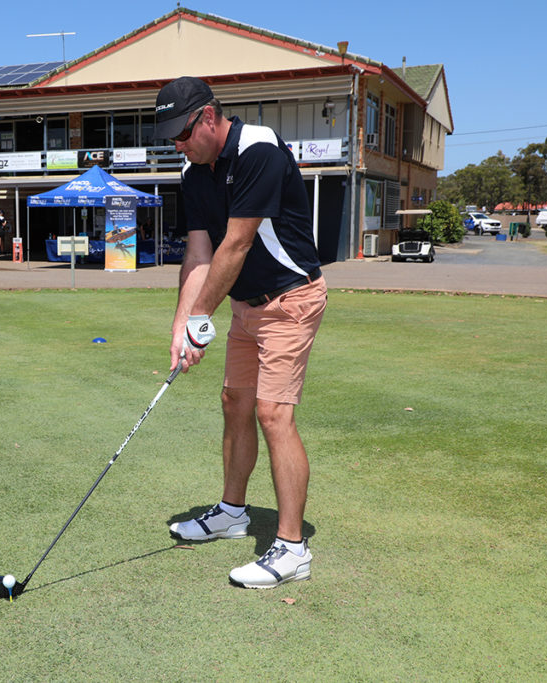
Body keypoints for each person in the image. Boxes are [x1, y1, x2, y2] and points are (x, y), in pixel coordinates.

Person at [155, 76, 327, 589]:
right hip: (247, 307)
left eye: (182, 134)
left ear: (208, 117)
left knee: (274, 414)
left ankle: (293, 549)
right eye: (171, 139)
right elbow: (199, 254)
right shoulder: (193, 174)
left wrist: (201, 320)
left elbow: (236, 245)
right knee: (235, 402)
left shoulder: (259, 149)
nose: (178, 145)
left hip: (292, 297)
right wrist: (181, 326)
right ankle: (232, 512)